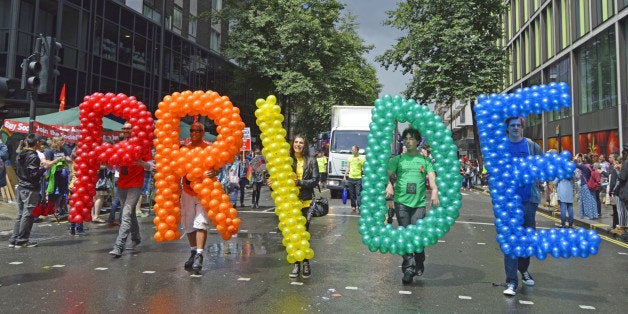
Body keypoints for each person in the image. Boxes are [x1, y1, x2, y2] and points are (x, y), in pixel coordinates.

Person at [386, 128, 439, 285]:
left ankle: (420, 258)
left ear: (418, 141)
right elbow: (386, 174)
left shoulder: (425, 161)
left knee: (417, 236)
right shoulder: (398, 160)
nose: (408, 141)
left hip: (419, 204)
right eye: (406, 139)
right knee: (405, 235)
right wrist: (389, 184)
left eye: (411, 139)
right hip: (401, 202)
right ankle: (408, 269)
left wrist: (434, 190)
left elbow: (432, 178)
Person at [501, 117, 542, 296]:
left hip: (528, 200)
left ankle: (523, 269)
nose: (516, 128)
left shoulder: (532, 146)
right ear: (507, 128)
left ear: (522, 128)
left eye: (519, 125)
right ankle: (511, 281)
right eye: (513, 125)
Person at [269, 135, 319, 279]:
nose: (298, 145)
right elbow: (280, 181)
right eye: (296, 142)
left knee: (303, 233)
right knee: (291, 235)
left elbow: (315, 181)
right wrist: (273, 185)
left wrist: (300, 182)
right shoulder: (285, 161)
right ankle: (296, 264)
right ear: (292, 144)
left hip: (305, 202)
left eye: (301, 142)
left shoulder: (311, 160)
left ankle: (306, 263)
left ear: (305, 145)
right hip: (289, 203)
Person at [108, 123, 152, 258]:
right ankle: (136, 237)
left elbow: (151, 165)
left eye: (128, 128)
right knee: (130, 212)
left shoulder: (142, 146)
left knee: (126, 214)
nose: (125, 130)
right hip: (121, 184)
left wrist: (142, 163)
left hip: (135, 185)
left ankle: (119, 246)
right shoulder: (119, 146)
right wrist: (109, 163)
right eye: (124, 128)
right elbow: (114, 167)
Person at [9, 134, 59, 248]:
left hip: (21, 186)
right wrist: (44, 168)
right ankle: (22, 240)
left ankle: (14, 239)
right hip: (29, 189)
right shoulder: (32, 155)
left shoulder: (21, 153)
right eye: (40, 142)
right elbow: (34, 174)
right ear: (36, 143)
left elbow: (24, 170)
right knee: (28, 214)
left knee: (21, 214)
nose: (41, 144)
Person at [180, 123, 214, 273]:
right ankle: (193, 251)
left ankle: (200, 254)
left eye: (198, 130)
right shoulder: (184, 148)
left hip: (203, 190)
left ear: (203, 132)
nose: (194, 133)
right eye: (192, 130)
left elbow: (216, 165)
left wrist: (215, 172)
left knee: (201, 223)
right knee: (188, 223)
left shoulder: (208, 148)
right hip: (187, 190)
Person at [612, 145, 628, 236]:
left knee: (622, 211)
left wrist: (619, 171)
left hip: (626, 192)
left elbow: (622, 179)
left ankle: (624, 230)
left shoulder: (626, 163)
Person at [343, 145, 365, 213]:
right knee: (352, 194)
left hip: (358, 178)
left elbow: (363, 168)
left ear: (357, 150)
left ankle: (359, 206)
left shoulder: (361, 158)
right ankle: (353, 206)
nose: (352, 151)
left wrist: (364, 175)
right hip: (351, 178)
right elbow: (348, 167)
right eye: (352, 149)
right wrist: (345, 175)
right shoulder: (350, 158)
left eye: (353, 150)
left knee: (358, 193)